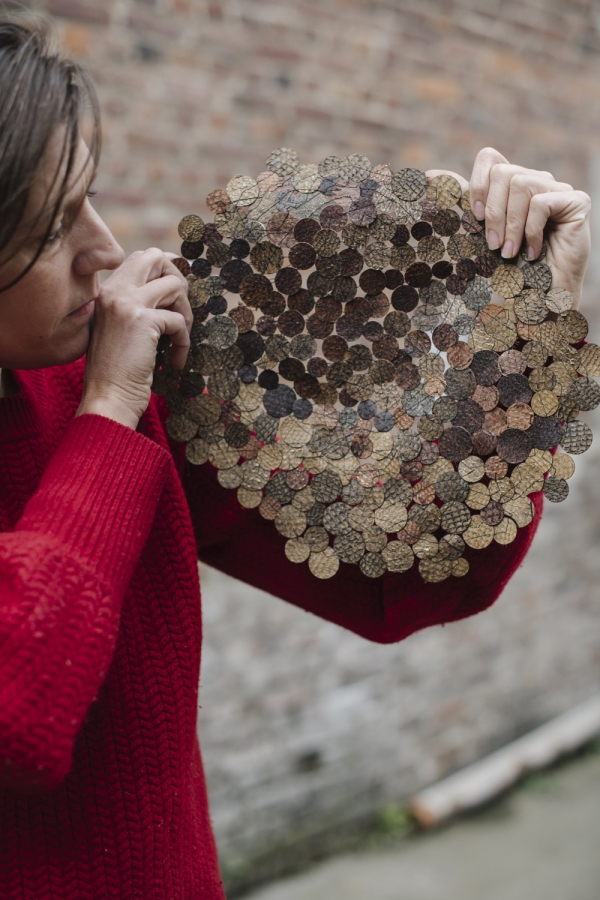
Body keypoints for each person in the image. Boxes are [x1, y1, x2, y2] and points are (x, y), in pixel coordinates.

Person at [0, 13, 591, 900]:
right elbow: (19, 707)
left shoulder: (97, 376)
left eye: (89, 197)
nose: (106, 251)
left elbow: (405, 580)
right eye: (50, 230)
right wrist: (111, 410)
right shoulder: (108, 395)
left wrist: (521, 328)